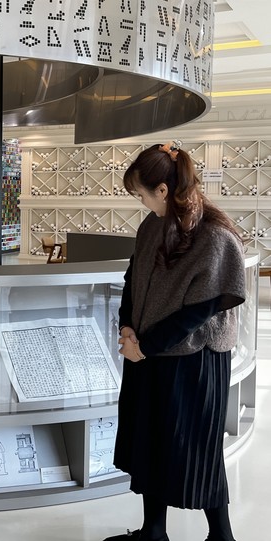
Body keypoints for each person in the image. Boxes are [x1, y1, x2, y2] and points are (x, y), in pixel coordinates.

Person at [105, 142, 246, 541]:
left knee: (197, 448)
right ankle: (154, 532)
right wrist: (127, 328)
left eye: (141, 194)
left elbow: (201, 311)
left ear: (163, 190)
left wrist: (144, 346)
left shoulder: (215, 235)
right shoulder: (152, 226)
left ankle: (221, 536)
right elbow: (134, 280)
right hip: (148, 352)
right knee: (150, 441)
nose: (141, 201)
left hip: (194, 359)